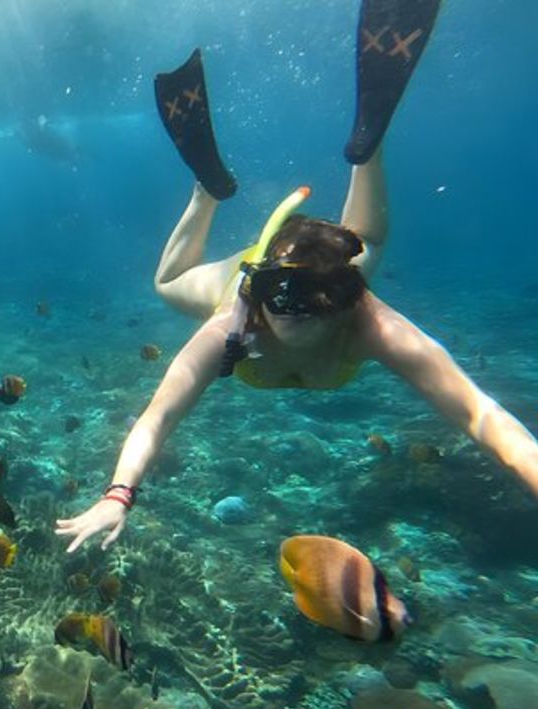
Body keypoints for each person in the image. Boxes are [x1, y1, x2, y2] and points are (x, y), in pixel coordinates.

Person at [57, 0, 538, 553]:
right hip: (256, 273)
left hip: (331, 264)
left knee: (362, 247)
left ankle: (362, 152)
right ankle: (304, 166)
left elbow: (478, 411)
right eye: (281, 304)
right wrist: (118, 495)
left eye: (311, 309)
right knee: (178, 283)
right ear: (259, 292)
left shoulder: (368, 321)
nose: (293, 317)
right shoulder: (233, 322)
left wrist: (119, 495)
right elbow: (157, 416)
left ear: (343, 302)